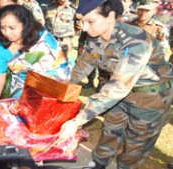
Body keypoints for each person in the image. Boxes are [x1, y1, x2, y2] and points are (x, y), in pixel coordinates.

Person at [57, 0, 173, 168]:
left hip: (151, 98)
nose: (84, 28)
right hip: (119, 94)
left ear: (110, 16)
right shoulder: (95, 39)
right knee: (110, 131)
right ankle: (97, 164)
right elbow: (83, 66)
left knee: (136, 143)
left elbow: (119, 86)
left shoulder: (135, 40)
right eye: (81, 22)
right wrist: (62, 85)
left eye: (90, 21)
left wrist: (77, 121)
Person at [0, 4, 70, 102]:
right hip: (19, 97)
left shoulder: (44, 40)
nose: (6, 33)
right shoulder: (1, 49)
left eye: (12, 28)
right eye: (3, 28)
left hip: (50, 96)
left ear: (25, 24)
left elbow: (59, 68)